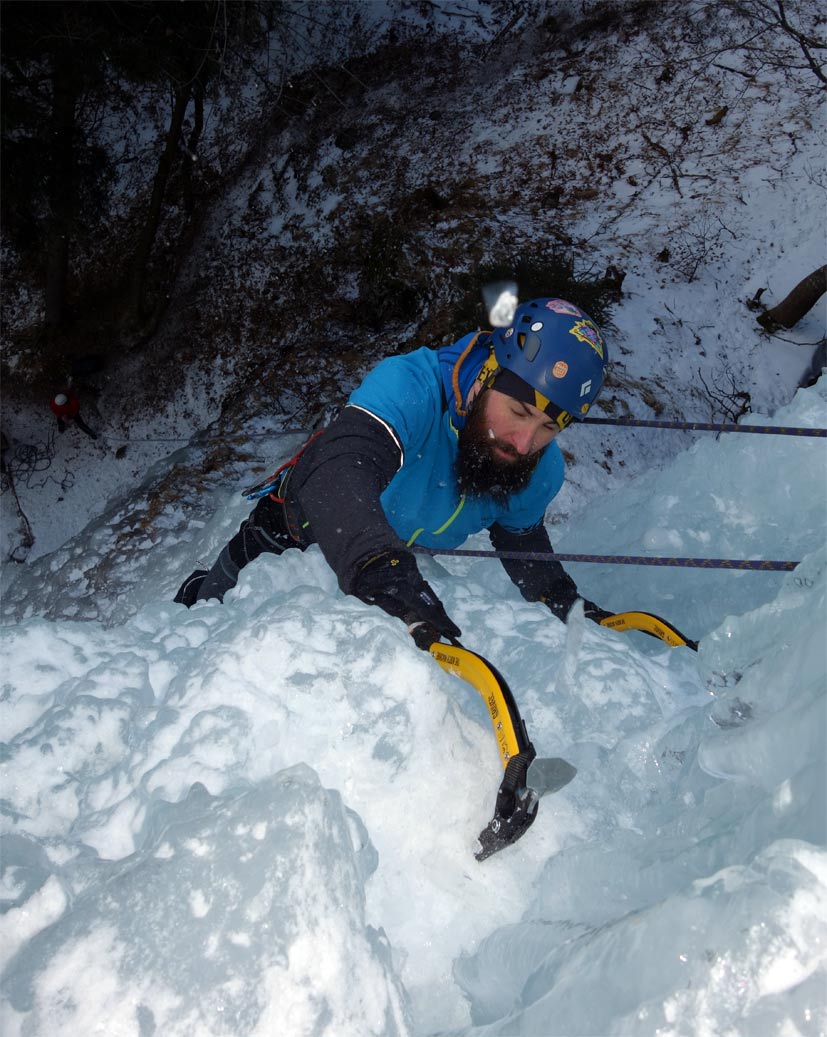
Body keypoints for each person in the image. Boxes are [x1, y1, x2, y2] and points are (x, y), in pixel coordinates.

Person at [175, 297, 612, 648]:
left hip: (384, 561)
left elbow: (521, 541)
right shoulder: (411, 386)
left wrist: (564, 602)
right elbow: (341, 468)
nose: (522, 443)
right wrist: (380, 563)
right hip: (290, 533)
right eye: (518, 410)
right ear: (486, 373)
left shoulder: (539, 466)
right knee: (199, 630)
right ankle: (192, 596)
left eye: (548, 427)